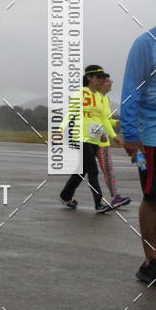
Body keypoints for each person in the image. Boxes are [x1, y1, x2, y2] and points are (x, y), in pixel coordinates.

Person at [120, 27, 156, 284]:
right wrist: (131, 133)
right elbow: (131, 88)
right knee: (153, 198)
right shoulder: (147, 43)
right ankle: (151, 262)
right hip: (152, 135)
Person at [59, 65, 119, 213]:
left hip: (94, 139)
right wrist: (60, 130)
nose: (102, 80)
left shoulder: (100, 97)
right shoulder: (81, 93)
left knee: (82, 170)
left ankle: (65, 195)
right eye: (99, 77)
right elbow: (70, 113)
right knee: (93, 170)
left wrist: (113, 136)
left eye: (103, 78)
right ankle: (99, 203)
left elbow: (103, 119)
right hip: (80, 137)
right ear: (89, 78)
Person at [96, 75, 130, 209]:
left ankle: (115, 197)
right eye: (107, 81)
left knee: (107, 170)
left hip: (102, 141)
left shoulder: (106, 99)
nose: (111, 83)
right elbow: (93, 119)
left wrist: (119, 123)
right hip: (93, 139)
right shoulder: (94, 99)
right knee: (83, 172)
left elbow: (106, 120)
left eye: (111, 80)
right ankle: (67, 195)